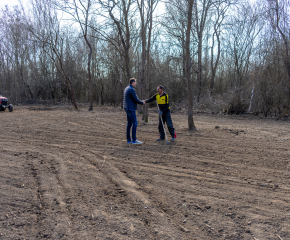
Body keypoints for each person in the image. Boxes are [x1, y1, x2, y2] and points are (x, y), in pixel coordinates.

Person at [123, 78, 144, 144]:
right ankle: (134, 140)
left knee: (129, 124)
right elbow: (136, 99)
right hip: (130, 108)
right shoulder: (131, 89)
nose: (136, 83)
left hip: (127, 108)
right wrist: (142, 102)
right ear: (133, 82)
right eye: (135, 82)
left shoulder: (127, 88)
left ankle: (129, 140)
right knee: (135, 123)